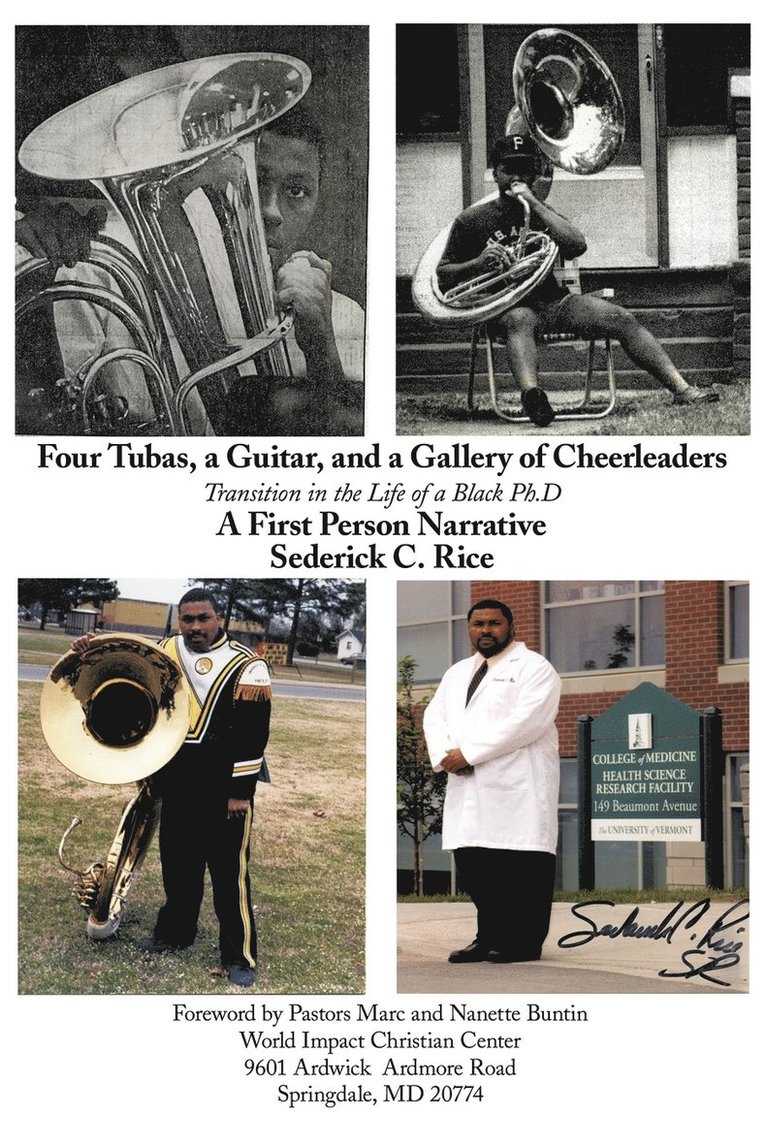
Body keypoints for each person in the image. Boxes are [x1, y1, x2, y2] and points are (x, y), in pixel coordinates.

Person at [16, 108, 365, 435]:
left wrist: (323, 348)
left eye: (297, 191)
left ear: (317, 199)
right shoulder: (113, 282)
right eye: (255, 182)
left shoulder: (346, 316)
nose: (272, 211)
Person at [437, 134, 720, 427]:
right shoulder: (471, 220)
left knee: (621, 319)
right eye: (509, 169)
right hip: (504, 308)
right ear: (495, 172)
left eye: (524, 170)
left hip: (553, 302)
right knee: (519, 318)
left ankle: (682, 389)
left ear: (535, 174)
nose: (516, 177)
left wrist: (535, 203)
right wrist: (479, 263)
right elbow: (443, 274)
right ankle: (534, 398)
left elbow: (576, 245)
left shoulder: (542, 213)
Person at [71, 588, 271, 988]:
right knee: (179, 868)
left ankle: (239, 954)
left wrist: (240, 792)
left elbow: (254, 736)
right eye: (188, 619)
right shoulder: (163, 651)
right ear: (179, 620)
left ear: (220, 619)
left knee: (230, 875)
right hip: (176, 782)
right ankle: (175, 934)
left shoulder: (249, 666)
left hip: (223, 787)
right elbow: (119, 677)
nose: (195, 627)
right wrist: (85, 652)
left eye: (203, 618)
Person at [422, 599, 561, 963]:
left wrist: (469, 754)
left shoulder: (534, 668)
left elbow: (527, 722)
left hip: (519, 787)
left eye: (494, 623)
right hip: (469, 785)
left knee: (521, 871)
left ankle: (525, 943)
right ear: (469, 629)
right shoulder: (457, 673)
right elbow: (434, 716)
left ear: (511, 627)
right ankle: (488, 937)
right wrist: (444, 755)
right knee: (477, 868)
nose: (485, 630)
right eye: (478, 624)